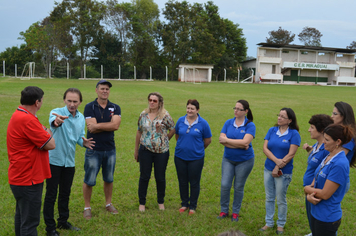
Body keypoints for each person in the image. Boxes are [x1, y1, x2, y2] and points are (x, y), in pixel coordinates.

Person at [43, 88, 95, 236]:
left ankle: (63, 221)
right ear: (64, 100)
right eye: (69, 101)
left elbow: (79, 136)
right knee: (51, 194)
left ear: (80, 102)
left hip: (69, 163)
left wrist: (82, 142)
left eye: (75, 101)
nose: (72, 104)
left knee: (65, 193)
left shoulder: (80, 117)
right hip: (54, 161)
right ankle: (50, 227)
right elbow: (53, 123)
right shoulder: (56, 112)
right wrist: (57, 121)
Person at [7, 86, 56, 235]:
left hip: (20, 177)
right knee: (30, 222)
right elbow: (51, 144)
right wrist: (47, 130)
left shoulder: (19, 115)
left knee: (22, 217)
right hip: (29, 179)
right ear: (37, 102)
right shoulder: (27, 120)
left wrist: (43, 130)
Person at [82, 80, 121, 219]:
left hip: (110, 149)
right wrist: (108, 125)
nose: (105, 91)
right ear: (96, 90)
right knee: (89, 179)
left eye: (107, 89)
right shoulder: (89, 107)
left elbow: (115, 126)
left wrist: (98, 126)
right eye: (102, 88)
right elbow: (90, 126)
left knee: (109, 178)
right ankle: (87, 207)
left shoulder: (115, 107)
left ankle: (108, 204)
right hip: (93, 148)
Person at [304, 124, 352, 236]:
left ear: (338, 142)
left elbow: (325, 194)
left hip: (327, 217)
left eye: (327, 139)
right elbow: (316, 178)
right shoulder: (329, 156)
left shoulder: (339, 164)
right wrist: (310, 194)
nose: (323, 142)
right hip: (316, 212)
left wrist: (306, 189)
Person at [259, 108, 301, 235]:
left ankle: (281, 224)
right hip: (268, 168)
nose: (279, 118)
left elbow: (291, 154)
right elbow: (265, 148)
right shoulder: (272, 130)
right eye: (279, 115)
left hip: (284, 172)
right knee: (269, 197)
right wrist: (276, 161)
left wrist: (278, 167)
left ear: (290, 120)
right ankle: (269, 222)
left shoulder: (294, 134)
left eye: (283, 116)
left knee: (281, 199)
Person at [134, 92, 175, 212]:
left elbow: (173, 129)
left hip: (161, 152)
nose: (151, 102)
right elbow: (139, 131)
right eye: (150, 100)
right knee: (144, 176)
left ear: (160, 103)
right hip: (145, 150)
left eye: (154, 101)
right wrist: (136, 150)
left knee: (160, 177)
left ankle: (160, 201)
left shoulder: (165, 115)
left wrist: (165, 138)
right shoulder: (143, 114)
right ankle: (142, 202)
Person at [217, 100, 256, 222]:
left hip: (245, 161)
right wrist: (239, 144)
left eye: (239, 109)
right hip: (228, 159)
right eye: (235, 108)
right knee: (225, 185)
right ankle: (224, 210)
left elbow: (245, 143)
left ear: (246, 111)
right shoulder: (228, 123)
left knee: (238, 186)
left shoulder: (250, 125)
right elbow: (221, 139)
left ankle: (235, 212)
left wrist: (228, 141)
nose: (236, 110)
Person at [174, 99, 212, 215]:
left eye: (192, 109)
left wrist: (197, 149)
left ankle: (193, 206)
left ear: (197, 110)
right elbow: (177, 135)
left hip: (196, 158)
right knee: (182, 181)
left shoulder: (203, 123)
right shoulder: (181, 120)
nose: (189, 110)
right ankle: (184, 203)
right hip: (180, 156)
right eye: (188, 108)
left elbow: (207, 140)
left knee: (194, 182)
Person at [302, 114, 334, 236]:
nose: (309, 130)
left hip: (316, 192)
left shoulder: (326, 149)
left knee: (317, 221)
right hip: (309, 190)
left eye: (312, 127)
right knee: (312, 221)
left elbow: (324, 173)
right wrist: (310, 150)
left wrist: (313, 192)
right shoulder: (316, 145)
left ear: (321, 130)